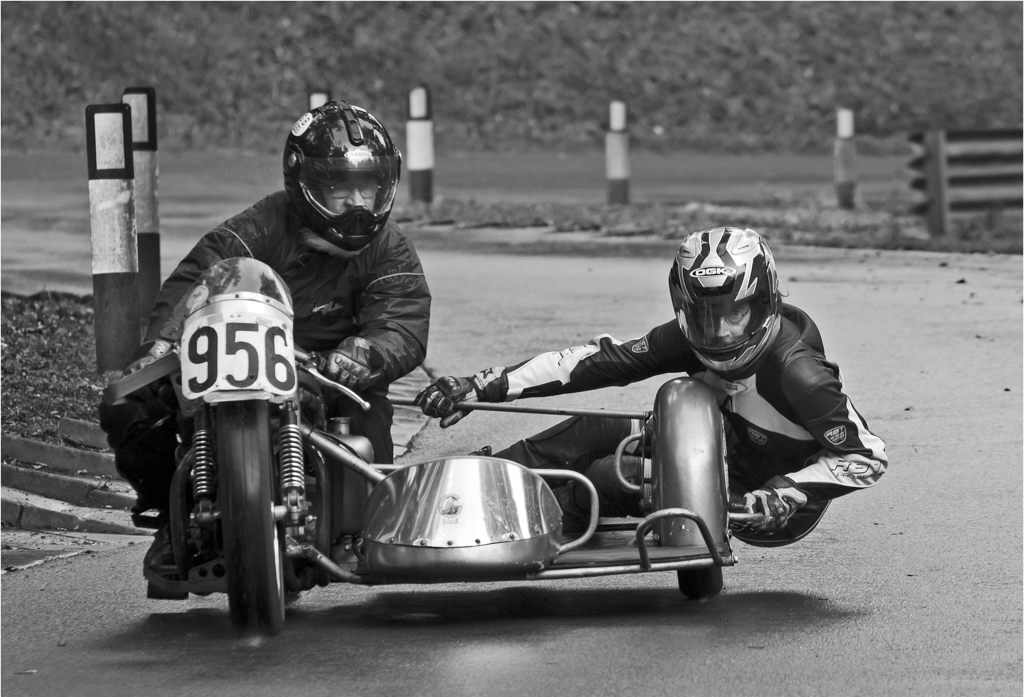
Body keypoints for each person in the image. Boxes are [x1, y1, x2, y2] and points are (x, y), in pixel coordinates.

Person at [99, 100, 431, 580]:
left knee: (367, 450)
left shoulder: (390, 247)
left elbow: (401, 320)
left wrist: (359, 355)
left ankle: (347, 528)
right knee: (127, 407)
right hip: (237, 362)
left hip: (330, 377)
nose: (357, 204)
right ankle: (173, 517)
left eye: (368, 187)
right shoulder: (257, 227)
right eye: (340, 188)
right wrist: (161, 347)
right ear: (305, 184)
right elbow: (196, 284)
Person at [415, 226, 886, 546]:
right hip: (714, 450)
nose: (720, 333)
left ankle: (540, 522)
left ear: (763, 302)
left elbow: (868, 456)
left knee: (608, 473)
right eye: (705, 316)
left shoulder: (799, 374)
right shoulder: (689, 337)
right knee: (596, 429)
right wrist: (485, 385)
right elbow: (600, 360)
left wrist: (788, 491)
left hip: (759, 503)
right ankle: (473, 483)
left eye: (735, 313)